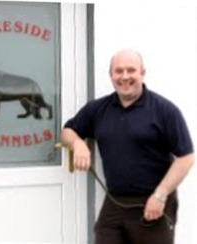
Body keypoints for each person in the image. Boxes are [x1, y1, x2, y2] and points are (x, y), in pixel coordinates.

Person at [61, 49, 195, 244]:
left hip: (153, 204)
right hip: (115, 203)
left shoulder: (164, 110)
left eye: (131, 70)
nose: (124, 77)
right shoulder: (98, 109)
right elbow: (67, 131)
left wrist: (160, 195)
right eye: (118, 71)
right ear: (111, 75)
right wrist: (77, 143)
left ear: (142, 73)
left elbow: (186, 158)